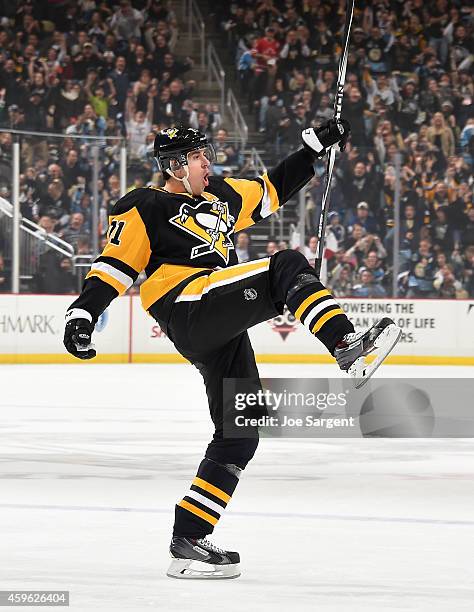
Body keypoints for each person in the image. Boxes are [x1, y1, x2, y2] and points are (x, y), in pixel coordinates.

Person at [63, 123, 401, 580]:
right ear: (176, 165)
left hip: (217, 318)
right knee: (285, 263)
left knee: (241, 433)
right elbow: (115, 265)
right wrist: (83, 313)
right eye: (199, 157)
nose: (208, 163)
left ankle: (188, 539)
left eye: (206, 155)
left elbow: (270, 190)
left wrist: (313, 148)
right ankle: (345, 342)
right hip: (185, 304)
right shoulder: (145, 204)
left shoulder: (220, 195)